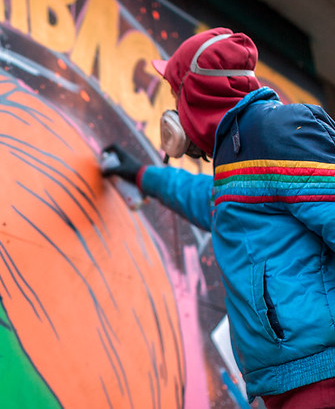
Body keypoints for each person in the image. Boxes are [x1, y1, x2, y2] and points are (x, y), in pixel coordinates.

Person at [102, 27, 335, 408]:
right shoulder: (240, 154)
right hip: (287, 382)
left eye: (177, 95)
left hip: (321, 378)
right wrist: (142, 175)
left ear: (195, 94)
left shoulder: (272, 131)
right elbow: (211, 204)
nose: (174, 111)